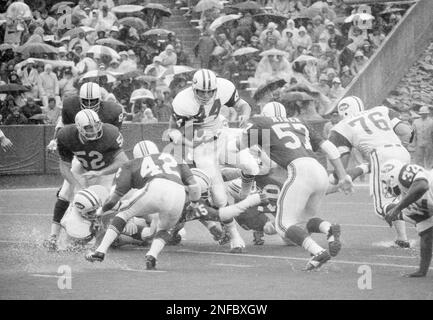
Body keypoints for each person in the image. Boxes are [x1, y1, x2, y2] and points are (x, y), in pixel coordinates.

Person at [239, 114, 353, 270]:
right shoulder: (300, 121)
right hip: (319, 170)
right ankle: (329, 229)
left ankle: (317, 251)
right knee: (302, 223)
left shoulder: (261, 122)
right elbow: (330, 148)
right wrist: (342, 175)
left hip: (299, 170)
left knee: (282, 225)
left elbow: (242, 145)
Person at [167, 69, 252, 251]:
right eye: (201, 92)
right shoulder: (183, 102)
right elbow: (173, 130)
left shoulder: (225, 87)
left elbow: (244, 106)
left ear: (216, 88)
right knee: (220, 198)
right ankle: (234, 235)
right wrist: (184, 140)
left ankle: (243, 195)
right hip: (201, 145)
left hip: (222, 134)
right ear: (193, 89)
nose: (206, 96)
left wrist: (245, 114)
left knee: (251, 165)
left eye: (209, 91)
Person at [84, 150, 201, 270]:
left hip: (156, 187)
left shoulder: (129, 165)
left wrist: (100, 212)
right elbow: (194, 185)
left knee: (123, 214)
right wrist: (194, 203)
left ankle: (100, 251)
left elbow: (112, 201)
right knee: (164, 229)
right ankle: (152, 256)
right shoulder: (175, 157)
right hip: (179, 193)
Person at [44, 83, 124, 251]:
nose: (94, 130)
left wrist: (100, 171)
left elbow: (121, 159)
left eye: (92, 101)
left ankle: (98, 235)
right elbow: (64, 165)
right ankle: (53, 236)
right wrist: (76, 184)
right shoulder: (66, 132)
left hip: (104, 162)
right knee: (65, 192)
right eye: (85, 101)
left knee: (104, 201)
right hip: (81, 159)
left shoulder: (111, 122)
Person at [328, 96, 414, 248]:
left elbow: (342, 165)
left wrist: (334, 178)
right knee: (396, 199)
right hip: (402, 152)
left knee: (382, 209)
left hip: (379, 156)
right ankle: (402, 238)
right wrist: (400, 150)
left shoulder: (341, 127)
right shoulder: (382, 110)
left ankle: (422, 220)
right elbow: (406, 131)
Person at [382, 160, 433, 277]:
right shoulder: (412, 206)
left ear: (391, 177)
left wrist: (397, 209)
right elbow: (426, 239)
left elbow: (422, 185)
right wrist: (422, 271)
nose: (386, 187)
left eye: (386, 182)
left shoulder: (403, 175)